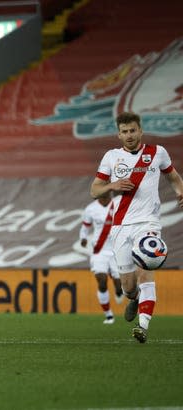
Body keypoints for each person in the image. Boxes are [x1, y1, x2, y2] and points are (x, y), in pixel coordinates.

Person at [90, 111, 183, 343]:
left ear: (140, 130)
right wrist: (113, 184)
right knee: (129, 287)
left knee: (146, 269)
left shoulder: (157, 153)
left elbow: (172, 176)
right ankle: (134, 298)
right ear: (119, 134)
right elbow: (94, 190)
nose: (129, 135)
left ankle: (143, 326)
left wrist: (181, 191)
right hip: (121, 226)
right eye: (124, 132)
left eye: (133, 130)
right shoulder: (111, 157)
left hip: (148, 223)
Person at [79, 192, 125, 324]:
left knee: (119, 284)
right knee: (102, 280)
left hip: (116, 249)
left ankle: (118, 291)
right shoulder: (91, 208)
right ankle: (109, 315)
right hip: (99, 250)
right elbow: (85, 227)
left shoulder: (118, 203)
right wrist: (83, 237)